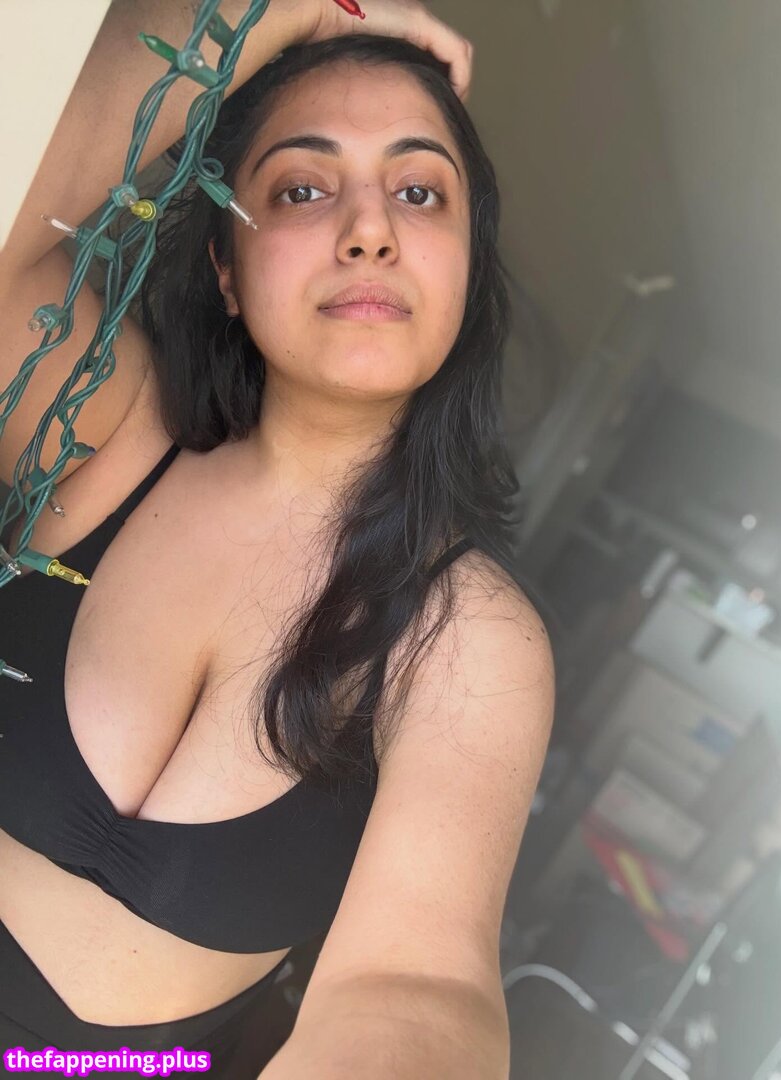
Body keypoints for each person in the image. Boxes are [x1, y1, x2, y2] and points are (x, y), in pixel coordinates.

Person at [0, 0, 555, 1076]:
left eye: (419, 192)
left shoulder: (471, 642)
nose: (369, 230)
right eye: (303, 187)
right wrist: (292, 5)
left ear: (466, 267)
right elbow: (19, 209)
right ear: (225, 263)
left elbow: (418, 989)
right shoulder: (108, 433)